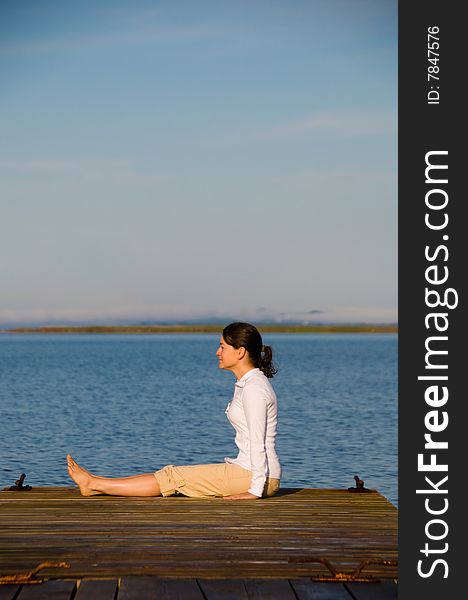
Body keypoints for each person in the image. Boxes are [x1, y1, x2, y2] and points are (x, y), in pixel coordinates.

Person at [67, 322, 281, 500]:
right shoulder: (249, 384)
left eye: (223, 346)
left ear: (240, 351)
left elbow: (257, 442)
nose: (217, 352)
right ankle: (96, 483)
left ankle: (95, 484)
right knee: (172, 474)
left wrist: (254, 490)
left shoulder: (254, 389)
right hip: (250, 472)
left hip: (256, 476)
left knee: (173, 476)